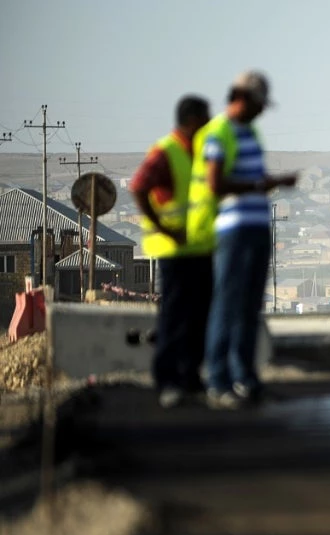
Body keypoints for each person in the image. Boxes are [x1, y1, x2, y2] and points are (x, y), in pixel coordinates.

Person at [190, 70, 297, 408]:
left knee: (250, 306)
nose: (262, 111)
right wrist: (258, 186)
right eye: (259, 104)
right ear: (241, 99)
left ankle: (245, 378)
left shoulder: (250, 132)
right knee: (227, 304)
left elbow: (252, 176)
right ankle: (219, 381)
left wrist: (272, 181)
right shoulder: (218, 133)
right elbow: (215, 183)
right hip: (233, 229)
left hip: (256, 226)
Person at [129, 95, 213, 408]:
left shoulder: (202, 153)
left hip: (201, 248)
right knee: (175, 316)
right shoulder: (167, 151)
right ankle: (168, 380)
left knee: (198, 315)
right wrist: (164, 230)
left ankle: (190, 377)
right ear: (192, 119)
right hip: (175, 251)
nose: (209, 122)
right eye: (205, 117)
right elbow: (139, 187)